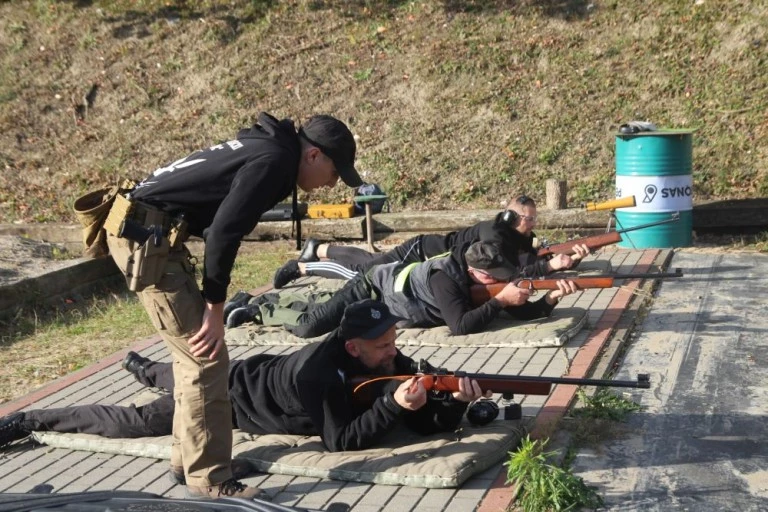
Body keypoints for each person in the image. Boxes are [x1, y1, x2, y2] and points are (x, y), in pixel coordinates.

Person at [101, 112, 363, 499]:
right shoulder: (275, 161)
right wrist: (215, 306)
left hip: (150, 233)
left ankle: (188, 458)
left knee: (191, 356)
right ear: (314, 156)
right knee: (206, 359)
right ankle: (208, 478)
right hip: (146, 241)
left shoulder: (269, 150)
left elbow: (215, 218)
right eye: (334, 171)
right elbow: (224, 231)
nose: (331, 183)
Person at [0, 301, 485, 470]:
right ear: (354, 347)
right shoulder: (317, 373)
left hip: (254, 367)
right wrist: (392, 408)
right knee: (137, 420)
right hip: (232, 400)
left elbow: (420, 419)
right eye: (384, 344)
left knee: (174, 372)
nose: (393, 350)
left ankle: (145, 367)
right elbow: (339, 441)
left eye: (394, 340)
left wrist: (456, 404)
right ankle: (27, 419)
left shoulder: (379, 353)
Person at [228, 240, 580, 338]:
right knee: (310, 327)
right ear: (474, 271)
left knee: (320, 303)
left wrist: (550, 297)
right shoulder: (447, 279)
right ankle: (255, 306)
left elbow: (516, 310)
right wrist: (501, 300)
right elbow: (460, 327)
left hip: (392, 307)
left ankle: (270, 302)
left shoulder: (480, 283)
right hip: (371, 288)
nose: (498, 283)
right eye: (493, 278)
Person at [268, 194, 589, 290]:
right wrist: (546, 267)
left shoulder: (519, 235)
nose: (531, 224)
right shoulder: (493, 234)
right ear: (510, 218)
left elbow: (527, 256)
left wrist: (566, 258)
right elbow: (507, 268)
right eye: (527, 218)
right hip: (421, 253)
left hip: (426, 255)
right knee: (363, 276)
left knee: (368, 261)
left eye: (533, 219)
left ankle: (320, 248)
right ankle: (304, 267)